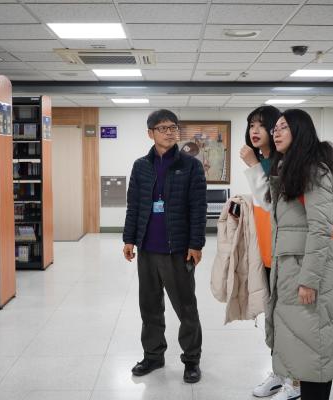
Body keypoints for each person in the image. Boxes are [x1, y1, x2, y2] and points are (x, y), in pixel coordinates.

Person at [245, 109, 333, 400]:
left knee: (314, 346)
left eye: (283, 127)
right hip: (290, 270)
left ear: (300, 131)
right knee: (301, 345)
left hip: (308, 272)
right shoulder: (290, 169)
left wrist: (309, 280)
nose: (276, 132)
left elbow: (321, 229)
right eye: (275, 128)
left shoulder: (315, 171)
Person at [122, 109, 207, 383]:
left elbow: (198, 208)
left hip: (177, 250)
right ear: (151, 133)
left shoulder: (191, 166)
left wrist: (196, 244)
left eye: (173, 127)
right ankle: (153, 355)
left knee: (186, 308)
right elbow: (134, 205)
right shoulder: (141, 166)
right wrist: (129, 238)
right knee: (149, 307)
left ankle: (191, 360)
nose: (169, 132)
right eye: (162, 128)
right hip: (147, 248)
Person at [240, 106, 301, 400]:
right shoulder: (264, 160)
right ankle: (279, 372)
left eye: (263, 125)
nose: (256, 131)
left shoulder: (284, 163)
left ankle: (296, 380)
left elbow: (270, 201)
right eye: (252, 125)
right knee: (273, 319)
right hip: (267, 254)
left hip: (286, 255)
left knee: (290, 321)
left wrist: (253, 164)